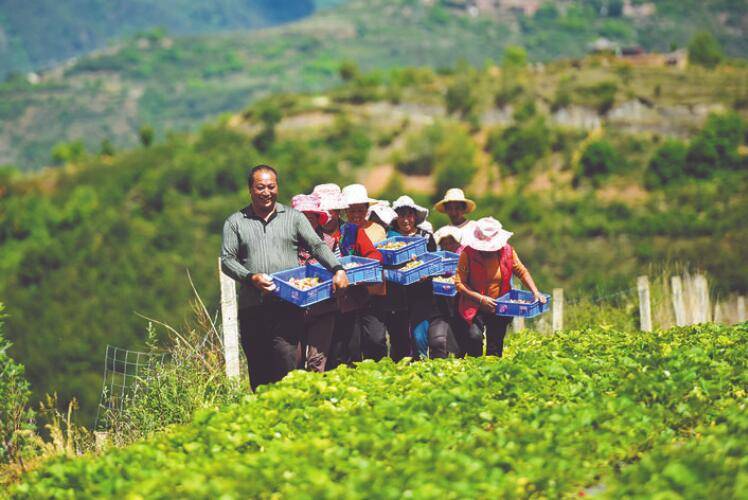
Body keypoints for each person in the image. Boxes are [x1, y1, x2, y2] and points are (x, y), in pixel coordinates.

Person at [220, 165, 349, 390]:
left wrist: (337, 268)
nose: (266, 192)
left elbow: (317, 245)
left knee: (287, 361)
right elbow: (227, 260)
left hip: (287, 305)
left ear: (277, 187)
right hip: (253, 307)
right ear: (250, 189)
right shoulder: (235, 222)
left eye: (271, 186)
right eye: (260, 187)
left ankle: (291, 411)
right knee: (259, 369)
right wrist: (251, 278)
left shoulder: (293, 217)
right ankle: (264, 417)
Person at [454, 217, 546, 358]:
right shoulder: (467, 254)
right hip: (473, 304)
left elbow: (521, 271)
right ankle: (474, 370)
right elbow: (459, 283)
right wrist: (480, 299)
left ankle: (492, 373)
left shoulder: (507, 252)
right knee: (474, 337)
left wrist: (535, 292)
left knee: (495, 344)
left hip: (500, 304)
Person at [328, 184, 386, 367]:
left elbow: (374, 254)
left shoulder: (356, 231)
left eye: (360, 210)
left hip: (367, 291)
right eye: (350, 210)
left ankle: (379, 372)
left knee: (375, 339)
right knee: (349, 344)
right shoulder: (328, 232)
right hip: (341, 296)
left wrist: (363, 266)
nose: (355, 214)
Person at [291, 194, 339, 373]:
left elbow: (340, 268)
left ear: (318, 220)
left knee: (316, 361)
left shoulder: (329, 242)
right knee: (293, 361)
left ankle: (315, 396)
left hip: (323, 307)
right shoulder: (286, 244)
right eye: (302, 218)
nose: (306, 222)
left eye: (311, 217)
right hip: (293, 308)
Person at [385, 195, 437, 360]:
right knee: (399, 338)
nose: (405, 220)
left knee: (419, 335)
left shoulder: (426, 236)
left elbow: (434, 261)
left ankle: (421, 365)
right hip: (396, 292)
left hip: (420, 292)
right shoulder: (388, 238)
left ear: (415, 217)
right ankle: (400, 373)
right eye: (401, 215)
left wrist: (425, 273)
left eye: (409, 215)